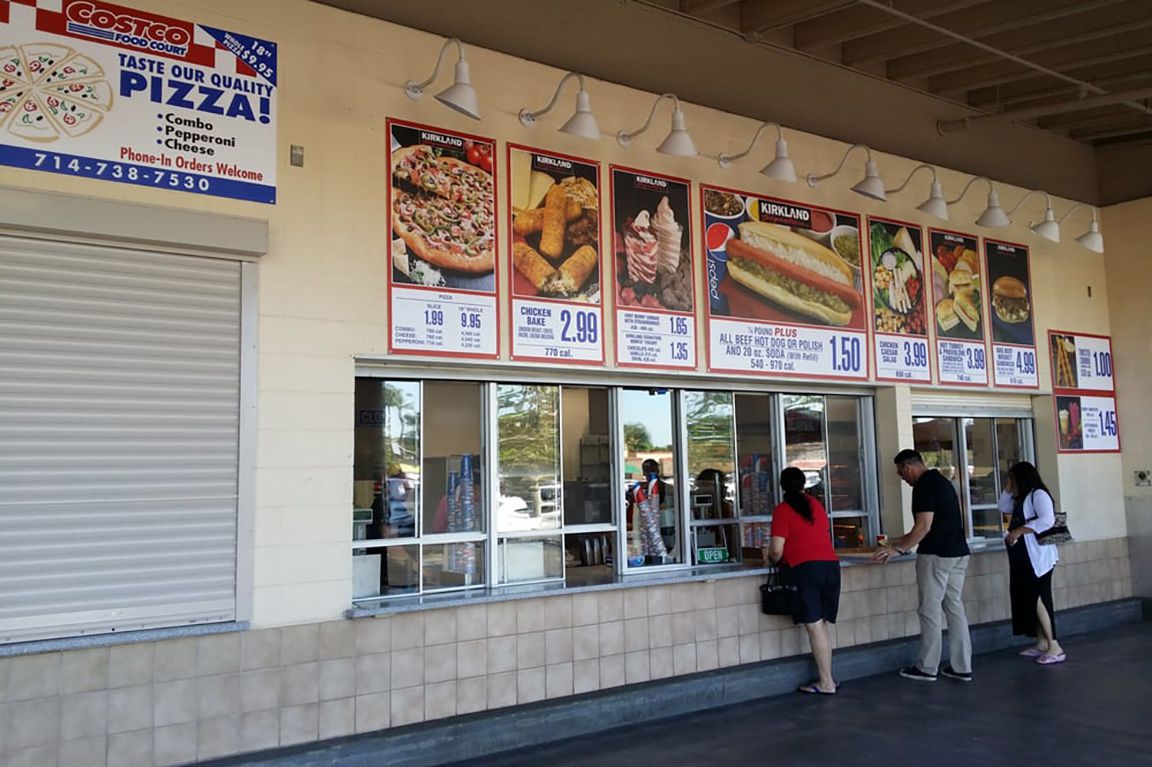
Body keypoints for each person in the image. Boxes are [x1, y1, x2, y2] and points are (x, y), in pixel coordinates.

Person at [874, 449, 972, 682]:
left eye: (901, 473)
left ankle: (927, 667)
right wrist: (897, 540)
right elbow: (930, 525)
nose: (902, 478)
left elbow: (924, 526)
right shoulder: (942, 482)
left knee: (930, 610)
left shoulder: (923, 486)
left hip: (936, 556)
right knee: (954, 608)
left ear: (909, 467)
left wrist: (898, 549)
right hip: (958, 553)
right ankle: (962, 666)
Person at [765, 466, 840, 695]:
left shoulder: (783, 510)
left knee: (814, 627)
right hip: (830, 567)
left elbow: (777, 551)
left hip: (806, 570)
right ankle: (829, 679)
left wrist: (769, 557)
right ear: (803, 484)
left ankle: (826, 683)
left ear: (781, 486)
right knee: (821, 626)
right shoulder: (816, 505)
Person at [1004, 461, 1066, 665]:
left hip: (1038, 556)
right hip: (1023, 554)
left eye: (1013, 479)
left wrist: (1019, 531)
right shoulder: (1020, 497)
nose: (1011, 483)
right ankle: (1041, 642)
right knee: (1029, 597)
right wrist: (1008, 487)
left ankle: (1054, 645)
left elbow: (1047, 520)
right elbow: (1002, 506)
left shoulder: (1039, 495)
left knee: (1038, 597)